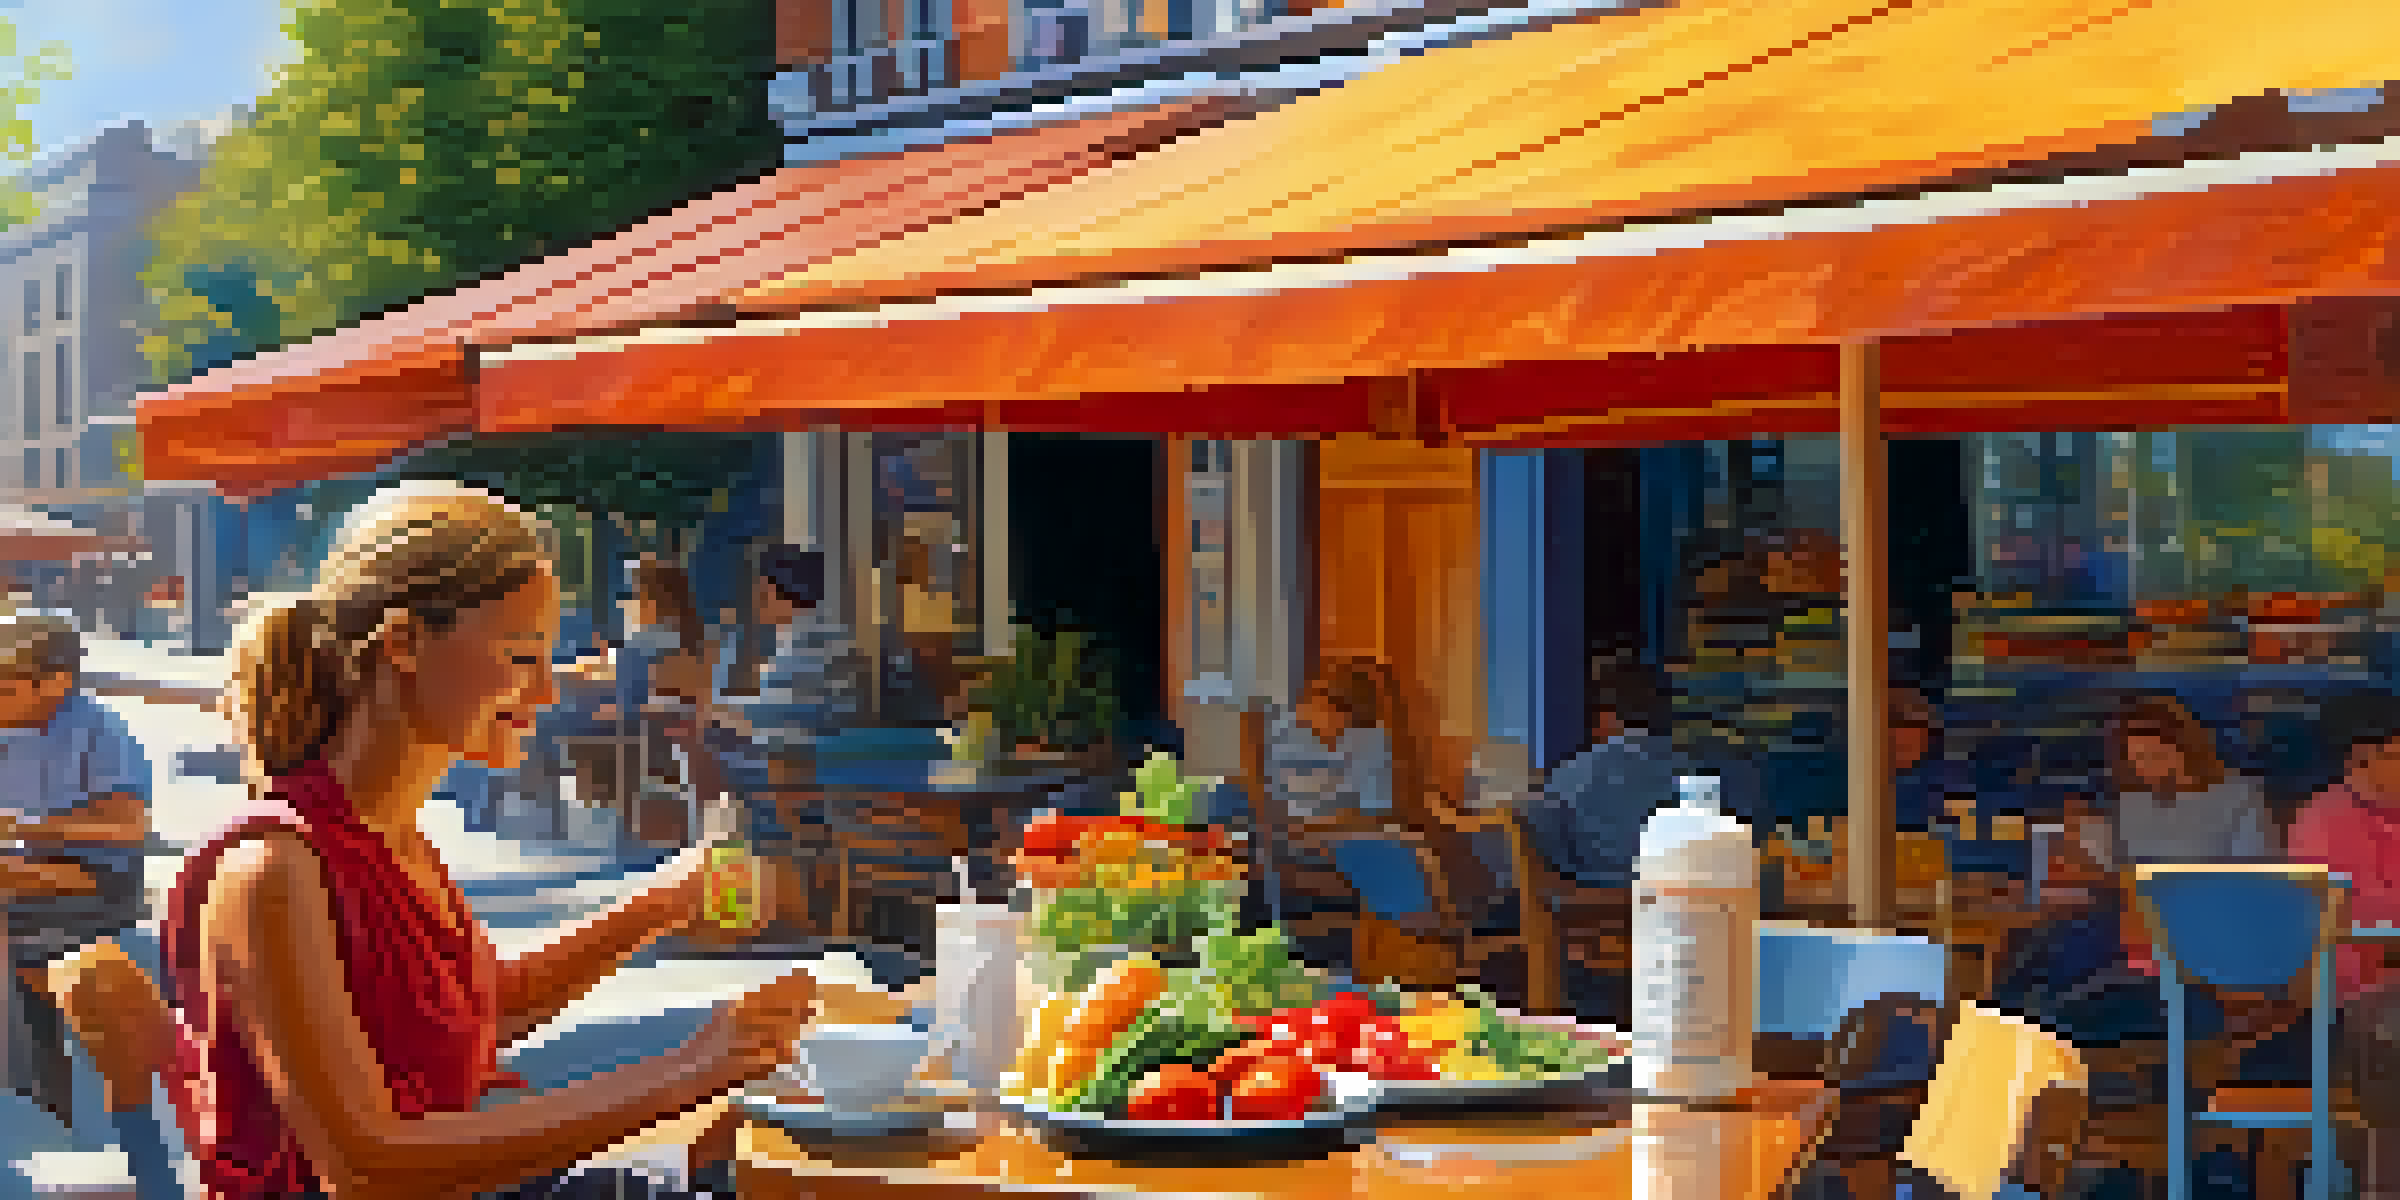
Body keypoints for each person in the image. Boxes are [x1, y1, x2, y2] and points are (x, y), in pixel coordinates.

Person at [159, 482, 815, 1200]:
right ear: (404, 644)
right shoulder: (273, 867)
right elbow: (370, 1164)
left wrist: (662, 906)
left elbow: (474, 1011)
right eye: (524, 656)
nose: (546, 695)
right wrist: (689, 1071)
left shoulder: (392, 837)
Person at [0, 614, 180, 1200]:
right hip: (37, 876)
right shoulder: (20, 731)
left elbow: (130, 824)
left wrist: (28, 825)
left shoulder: (98, 730)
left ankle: (31, 1103)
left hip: (97, 885)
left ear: (52, 683)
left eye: (6, 688)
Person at [2288, 693, 2400, 1199]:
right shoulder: (2320, 821)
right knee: (2386, 1031)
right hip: (2355, 988)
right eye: (2396, 754)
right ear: (2362, 758)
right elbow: (2318, 922)